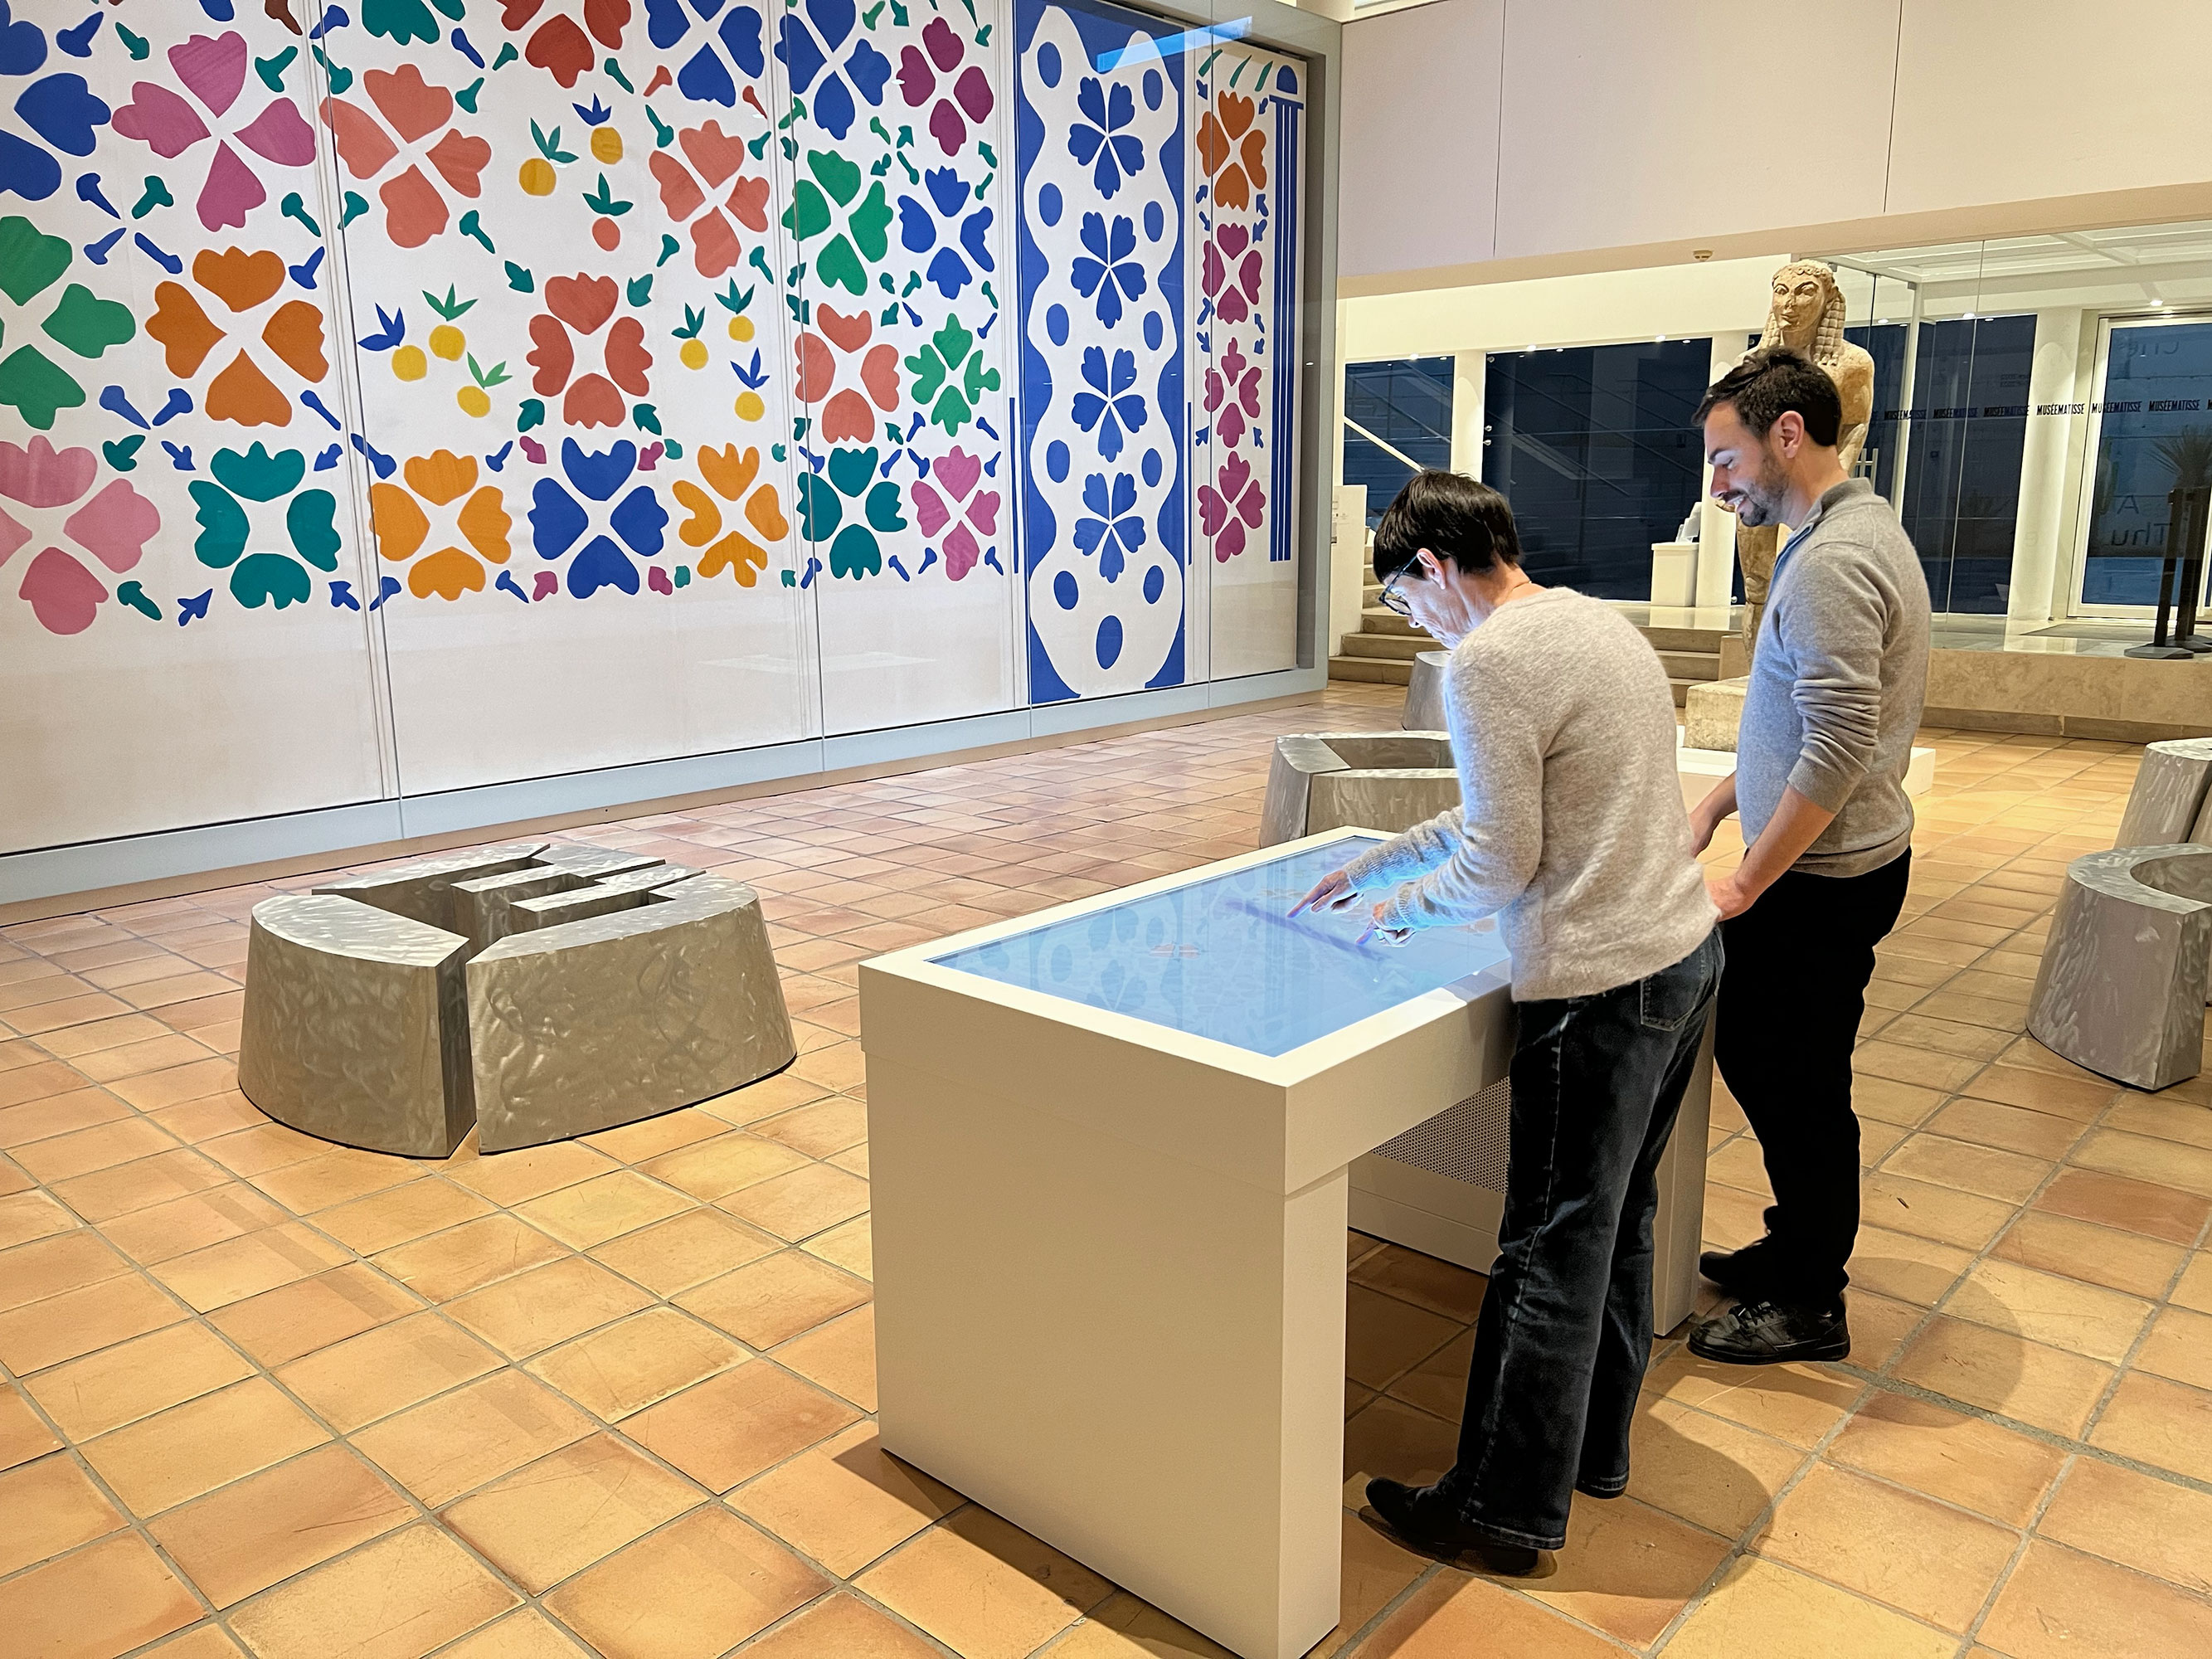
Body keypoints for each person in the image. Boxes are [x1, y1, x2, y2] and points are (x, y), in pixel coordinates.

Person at [1293, 470, 1719, 1573]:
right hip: (1682, 955)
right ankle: (1588, 1453)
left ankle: (1497, 1506)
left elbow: (1501, 859)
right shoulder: (1590, 621)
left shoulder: (1480, 661)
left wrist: (1395, 910)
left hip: (1598, 985)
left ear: (1430, 568)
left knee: (1541, 1250)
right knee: (1613, 1224)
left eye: (1398, 600)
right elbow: (1522, 806)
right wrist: (1378, 858)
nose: (1407, 621)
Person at [1685, 349, 1930, 1365]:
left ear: (1788, 434)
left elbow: (1836, 743)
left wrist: (1745, 877)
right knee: (1771, 1058)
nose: (1718, 480)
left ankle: (1812, 1300)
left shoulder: (1830, 560)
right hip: (1831, 862)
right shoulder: (1838, 533)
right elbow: (1797, 718)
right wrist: (1715, 799)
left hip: (1822, 878)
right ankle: (1795, 1249)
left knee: (1798, 1082)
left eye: (1726, 455)